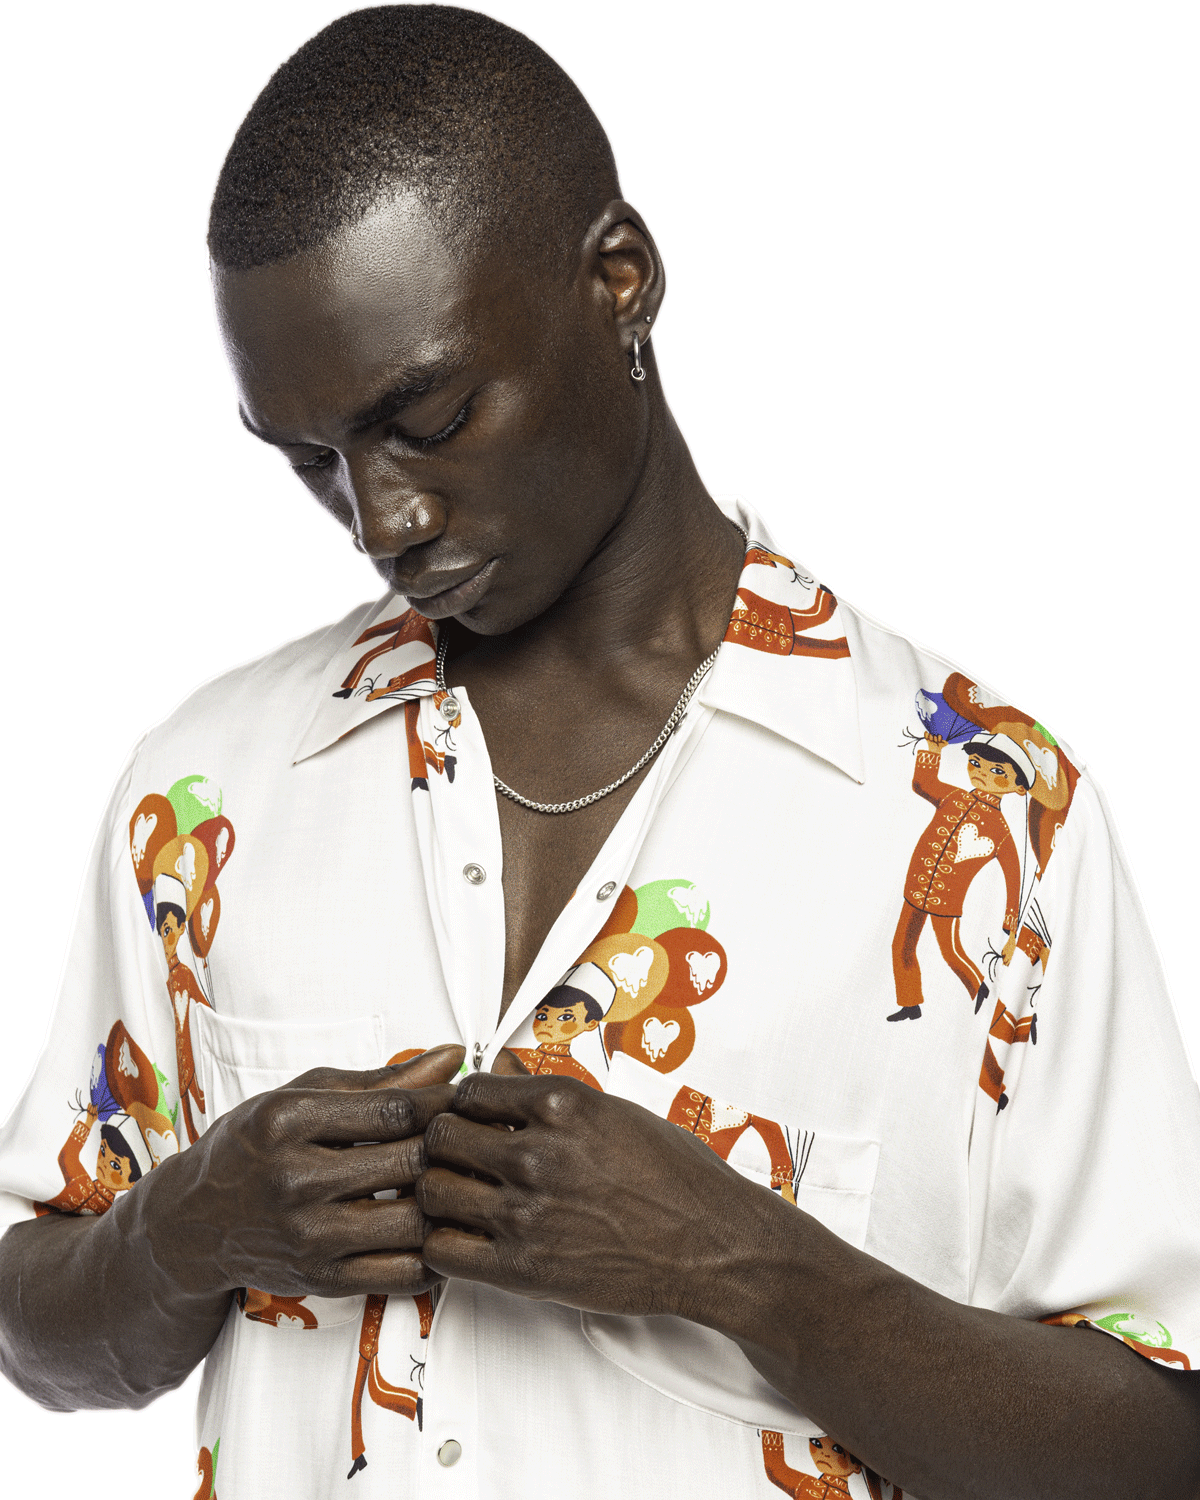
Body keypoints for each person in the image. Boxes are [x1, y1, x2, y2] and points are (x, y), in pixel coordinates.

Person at [0, 8, 1197, 1498]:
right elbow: (42, 1333)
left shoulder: (978, 810)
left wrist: (748, 1268)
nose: (382, 521)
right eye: (311, 460)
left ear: (620, 280)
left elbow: (1159, 1448)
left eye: (431, 416)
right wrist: (184, 1230)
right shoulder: (206, 789)